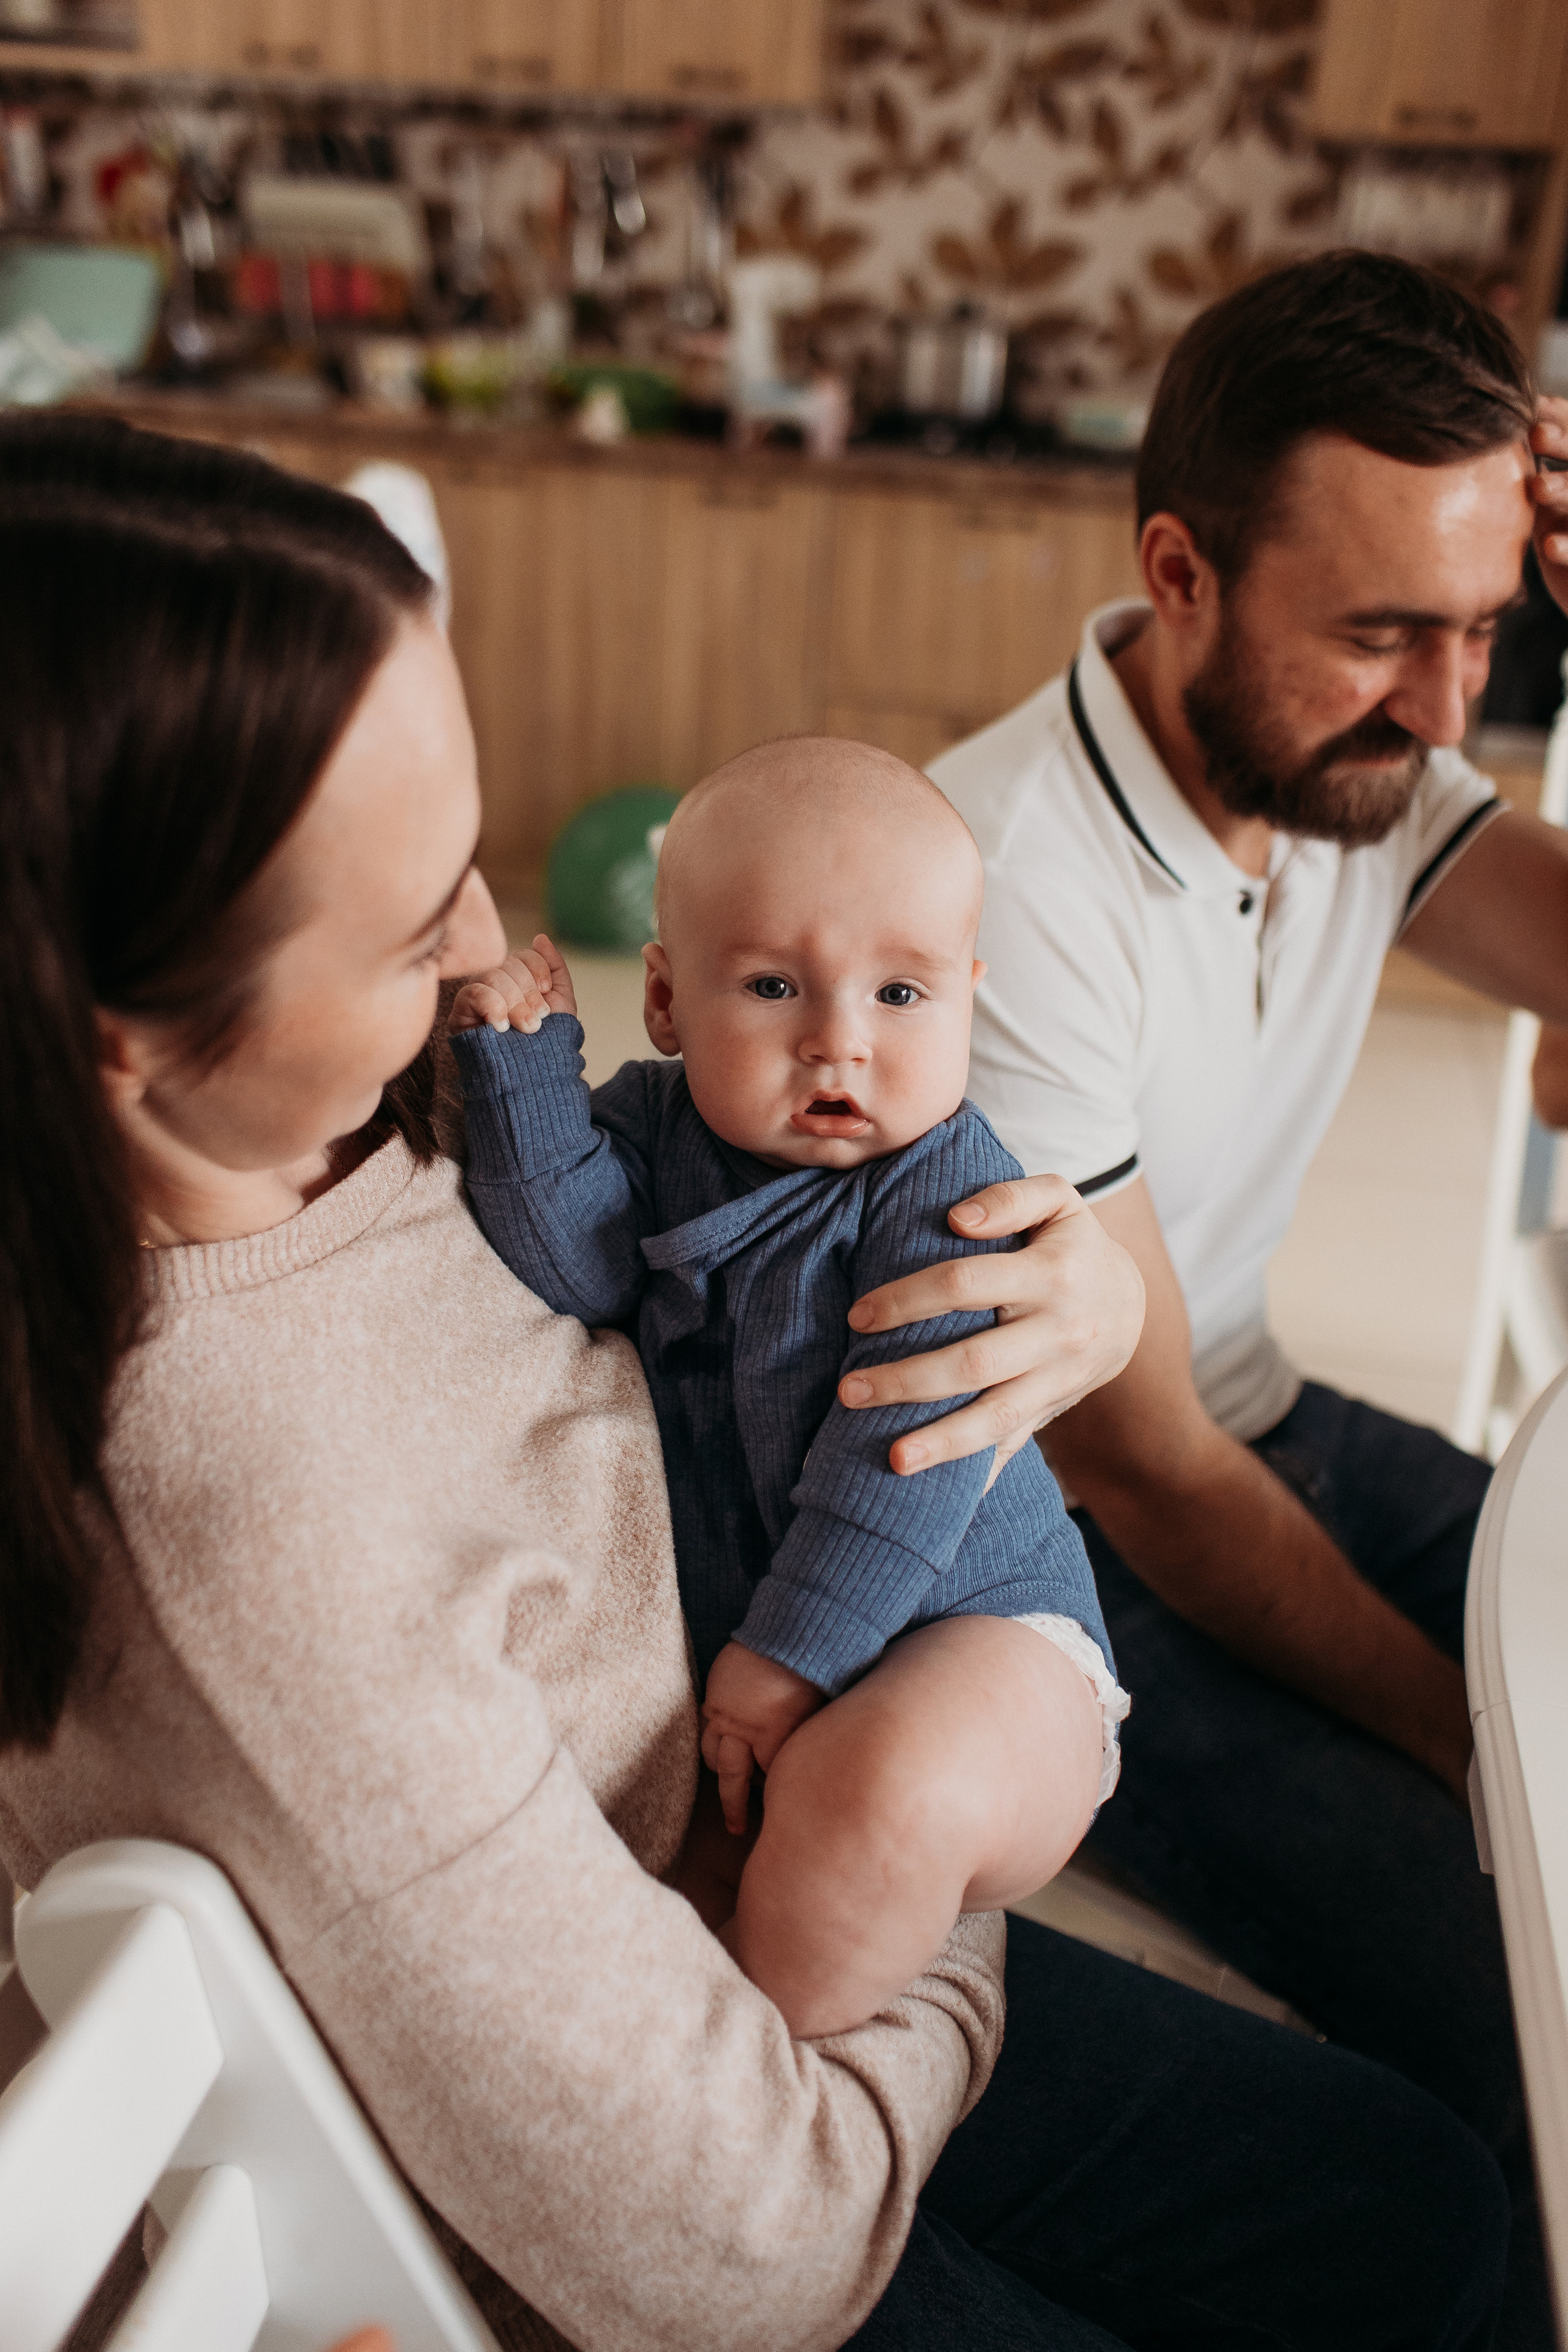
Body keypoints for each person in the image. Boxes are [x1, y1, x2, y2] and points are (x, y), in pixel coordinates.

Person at [0, 413, 1510, 2352]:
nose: (484, 943)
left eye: (469, 853)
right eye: (408, 927)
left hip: (771, 1886)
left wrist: (1084, 1308)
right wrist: (920, 1869)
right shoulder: (259, 1571)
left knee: (1431, 2211)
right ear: (121, 1036)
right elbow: (751, 2246)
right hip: (730, 2146)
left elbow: (713, 1245)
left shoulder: (341, 1120)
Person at [927, 249, 1568, 2348]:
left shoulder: (1355, 766)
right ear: (1181, 572)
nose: (1448, 703)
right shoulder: (1011, 885)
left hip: (1260, 1417)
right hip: (1063, 1554)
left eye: (1486, 631)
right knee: (1514, 2017)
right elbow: (1156, 1476)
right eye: (1387, 633)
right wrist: (1467, 1741)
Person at [443, 741, 1128, 2038]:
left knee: (878, 1794)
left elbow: (902, 1456)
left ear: (970, 1000)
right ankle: (760, 1982)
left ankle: (758, 2070)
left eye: (901, 995)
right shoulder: (653, 1125)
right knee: (788, 1838)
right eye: (770, 986)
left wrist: (780, 1661)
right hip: (779, 1669)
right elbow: (574, 1268)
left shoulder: (946, 1188)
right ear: (662, 1002)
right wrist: (525, 1073)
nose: (837, 1044)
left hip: (976, 1634)